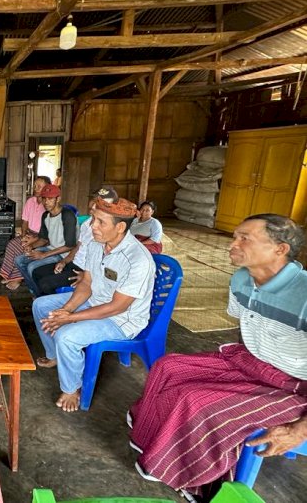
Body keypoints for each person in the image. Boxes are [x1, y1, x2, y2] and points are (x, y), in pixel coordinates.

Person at [129, 214, 307, 499]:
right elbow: (247, 328)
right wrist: (231, 371)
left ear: (279, 249)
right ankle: (152, 438)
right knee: (167, 367)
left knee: (198, 401)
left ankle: (197, 481)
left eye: (244, 238)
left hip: (295, 387)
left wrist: (300, 429)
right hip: (252, 363)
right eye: (234, 236)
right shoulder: (241, 279)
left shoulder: (304, 295)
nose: (232, 244)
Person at [32, 197, 155, 412]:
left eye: (100, 222)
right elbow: (87, 283)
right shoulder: (98, 244)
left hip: (121, 320)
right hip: (95, 300)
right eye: (93, 220)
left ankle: (72, 388)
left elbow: (117, 307)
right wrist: (67, 309)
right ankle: (55, 356)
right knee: (41, 306)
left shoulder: (138, 259)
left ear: (120, 227)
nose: (92, 226)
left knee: (66, 335)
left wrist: (69, 318)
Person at [32, 186, 119, 296]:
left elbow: (106, 261)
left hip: (85, 270)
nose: (93, 204)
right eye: (94, 200)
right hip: (74, 263)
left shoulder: (111, 230)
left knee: (46, 283)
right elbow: (78, 246)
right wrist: (64, 261)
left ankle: (55, 305)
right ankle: (46, 301)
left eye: (99, 202)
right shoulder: (87, 224)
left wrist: (87, 275)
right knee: (37, 272)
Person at [11, 184, 77, 294]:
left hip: (64, 254)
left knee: (32, 267)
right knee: (19, 260)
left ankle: (39, 295)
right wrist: (31, 246)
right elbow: (44, 239)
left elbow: (70, 245)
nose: (46, 202)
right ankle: (36, 292)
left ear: (58, 199)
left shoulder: (67, 215)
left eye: (50, 198)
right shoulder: (46, 215)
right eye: (44, 198)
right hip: (50, 249)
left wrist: (43, 255)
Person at [0, 176, 50, 290]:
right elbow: (24, 221)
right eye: (35, 186)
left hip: (42, 237)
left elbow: (47, 232)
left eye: (39, 186)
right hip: (30, 233)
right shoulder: (30, 201)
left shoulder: (48, 204)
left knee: (22, 248)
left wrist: (34, 239)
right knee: (12, 244)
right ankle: (9, 275)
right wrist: (23, 235)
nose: (36, 188)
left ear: (47, 188)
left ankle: (18, 278)